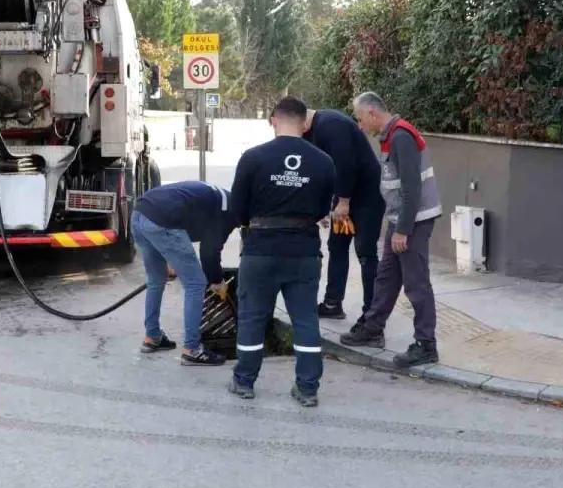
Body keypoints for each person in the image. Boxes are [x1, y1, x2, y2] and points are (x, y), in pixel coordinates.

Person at [228, 96, 336, 406]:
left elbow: (237, 210)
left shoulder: (252, 157)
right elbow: (321, 209)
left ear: (273, 120)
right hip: (303, 252)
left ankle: (244, 382)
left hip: (260, 250)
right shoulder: (323, 162)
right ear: (305, 123)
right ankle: (307, 388)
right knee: (305, 320)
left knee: (252, 318)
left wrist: (255, 224)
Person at [340, 92, 444, 368]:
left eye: (360, 118)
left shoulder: (401, 137)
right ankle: (372, 327)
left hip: (413, 221)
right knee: (386, 277)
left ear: (373, 113)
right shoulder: (391, 136)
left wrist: (403, 231)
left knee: (416, 282)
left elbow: (412, 188)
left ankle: (426, 344)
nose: (360, 125)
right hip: (400, 220)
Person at [132, 180, 240, 366]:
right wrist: (217, 281)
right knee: (196, 283)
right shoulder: (227, 214)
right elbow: (209, 253)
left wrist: (173, 258)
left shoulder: (220, 199)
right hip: (163, 221)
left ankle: (153, 337)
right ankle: (192, 349)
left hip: (139, 214)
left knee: (156, 280)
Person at [304, 107, 387, 321]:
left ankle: (372, 314)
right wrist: (323, 208)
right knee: (337, 247)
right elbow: (321, 172)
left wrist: (343, 201)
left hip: (366, 196)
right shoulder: (311, 131)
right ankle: (333, 303)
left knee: (366, 252)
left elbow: (345, 164)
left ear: (301, 118)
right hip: (344, 197)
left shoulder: (330, 124)